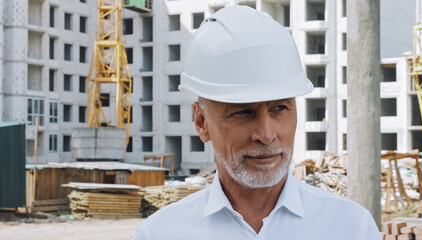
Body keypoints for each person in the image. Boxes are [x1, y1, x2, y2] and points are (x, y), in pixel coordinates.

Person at [133, 5, 381, 240]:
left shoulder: (350, 228)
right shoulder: (161, 234)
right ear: (201, 122)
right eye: (243, 112)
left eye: (279, 108)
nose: (266, 134)